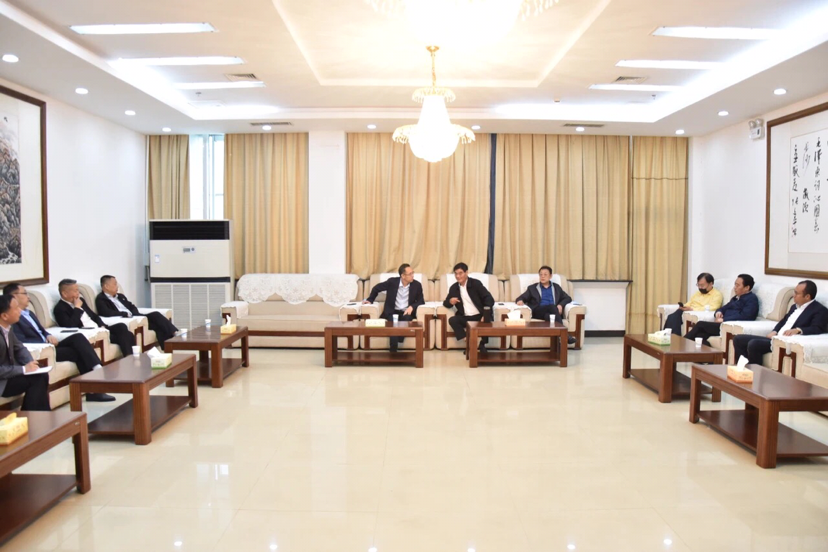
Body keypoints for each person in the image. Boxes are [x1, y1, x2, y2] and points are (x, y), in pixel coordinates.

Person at [3, 283, 114, 402]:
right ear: (13, 296)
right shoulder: (13, 318)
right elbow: (21, 341)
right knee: (78, 352)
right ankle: (94, 389)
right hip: (43, 349)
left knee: (78, 338)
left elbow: (41, 331)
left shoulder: (29, 313)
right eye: (25, 293)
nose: (28, 297)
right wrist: (45, 344)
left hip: (49, 344)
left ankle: (97, 369)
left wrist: (48, 335)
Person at [732, 280, 828, 365]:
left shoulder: (819, 310)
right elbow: (783, 321)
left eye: (797, 293)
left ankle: (754, 374)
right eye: (794, 292)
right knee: (738, 339)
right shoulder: (794, 306)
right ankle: (741, 370)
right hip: (776, 337)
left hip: (786, 342)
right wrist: (774, 331)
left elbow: (817, 328)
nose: (794, 296)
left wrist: (798, 330)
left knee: (754, 344)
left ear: (807, 296)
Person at [54, 279, 135, 358]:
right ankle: (129, 358)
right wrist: (77, 308)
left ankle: (129, 358)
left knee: (121, 326)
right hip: (91, 332)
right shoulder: (60, 309)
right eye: (75, 291)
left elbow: (94, 316)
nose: (78, 293)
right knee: (128, 336)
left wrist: (102, 325)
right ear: (64, 293)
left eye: (78, 290)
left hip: (99, 328)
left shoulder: (81, 300)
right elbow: (71, 325)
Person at [96, 275, 178, 348]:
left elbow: (132, 306)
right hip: (126, 319)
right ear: (106, 286)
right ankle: (173, 340)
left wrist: (135, 313)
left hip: (136, 316)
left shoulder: (120, 296)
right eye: (115, 284)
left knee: (156, 317)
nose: (117, 286)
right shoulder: (101, 299)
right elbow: (106, 312)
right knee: (157, 324)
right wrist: (124, 314)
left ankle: (172, 339)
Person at [0, 295, 50, 411]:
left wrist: (31, 363)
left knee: (40, 374)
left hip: (8, 375)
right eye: (16, 308)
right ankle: (34, 416)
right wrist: (23, 369)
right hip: (2, 381)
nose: (20, 311)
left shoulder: (7, 328)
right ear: (4, 316)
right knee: (37, 378)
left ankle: (36, 416)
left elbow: (20, 348)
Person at [363, 264, 425, 353]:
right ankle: (393, 350)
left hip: (406, 312)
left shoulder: (417, 285)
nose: (413, 276)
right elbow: (376, 288)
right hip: (392, 312)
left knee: (406, 320)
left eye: (413, 273)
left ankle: (399, 338)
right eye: (410, 274)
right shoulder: (392, 282)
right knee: (393, 324)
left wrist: (412, 307)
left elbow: (421, 301)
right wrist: (370, 300)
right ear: (403, 276)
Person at [684, 274, 759, 346]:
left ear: (747, 287)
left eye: (737, 285)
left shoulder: (751, 299)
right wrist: (718, 312)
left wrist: (724, 319)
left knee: (701, 324)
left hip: (729, 326)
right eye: (735, 284)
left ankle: (682, 343)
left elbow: (746, 316)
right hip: (722, 324)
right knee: (700, 336)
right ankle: (707, 353)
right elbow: (724, 308)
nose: (734, 287)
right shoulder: (736, 298)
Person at [515, 265, 576, 345]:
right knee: (552, 307)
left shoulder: (556, 287)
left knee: (549, 316)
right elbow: (521, 298)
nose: (542, 276)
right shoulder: (532, 288)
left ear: (550, 276)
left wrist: (561, 305)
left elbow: (568, 298)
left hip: (552, 312)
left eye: (545, 274)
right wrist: (520, 300)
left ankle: (558, 342)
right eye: (541, 274)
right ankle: (565, 335)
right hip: (538, 311)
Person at [443, 263, 494, 352]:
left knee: (486, 319)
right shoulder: (454, 288)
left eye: (460, 273)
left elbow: (489, 298)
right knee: (453, 320)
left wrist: (485, 314)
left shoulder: (476, 284)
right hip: (465, 317)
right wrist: (450, 301)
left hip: (479, 315)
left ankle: (482, 344)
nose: (458, 276)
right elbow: (446, 303)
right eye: (456, 274)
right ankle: (470, 342)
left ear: (466, 273)